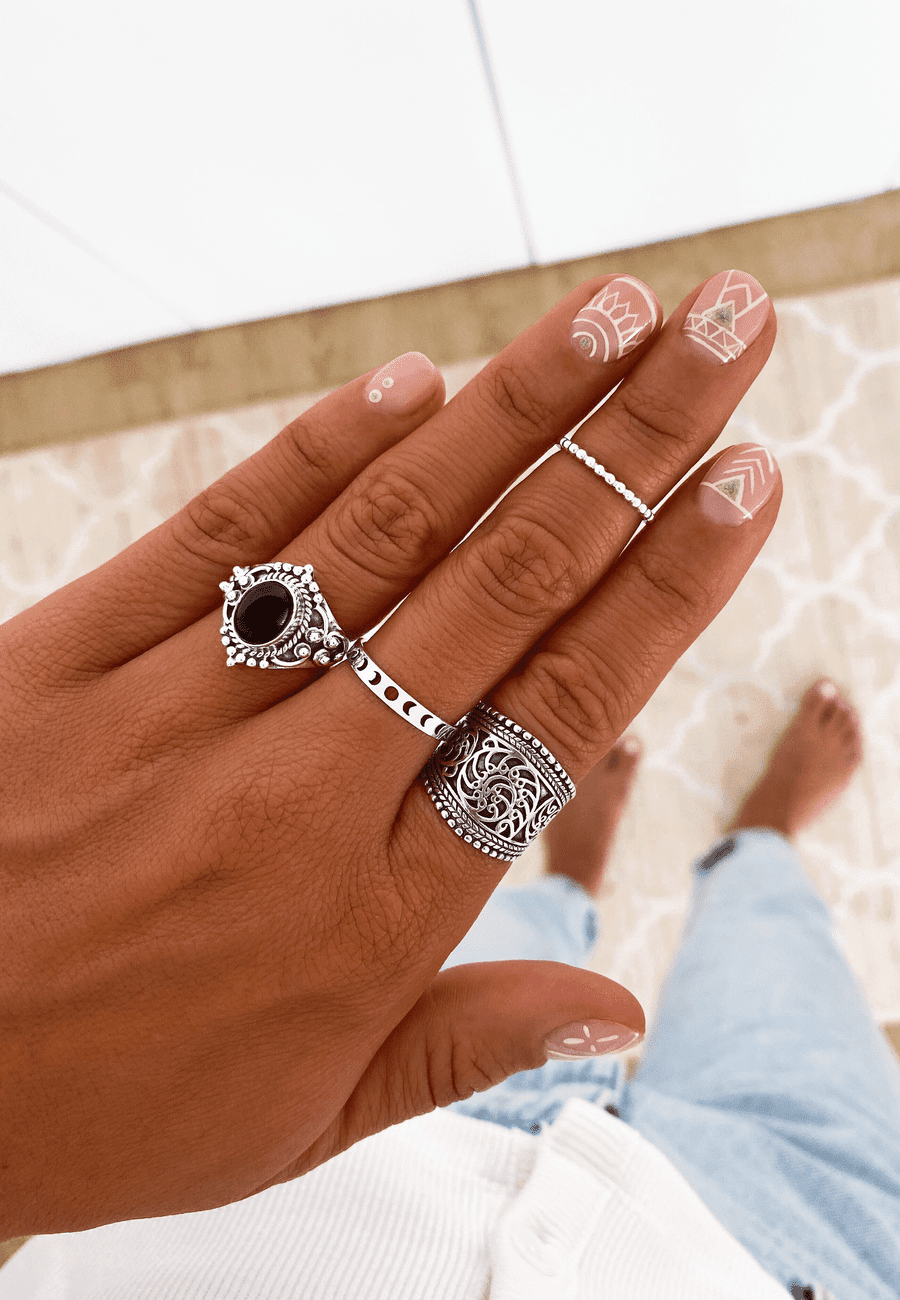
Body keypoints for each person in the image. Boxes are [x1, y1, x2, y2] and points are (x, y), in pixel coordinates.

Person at [0, 269, 898, 1299]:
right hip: (796, 1252)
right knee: (772, 931)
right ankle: (758, 841)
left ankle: (567, 878)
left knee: (462, 912)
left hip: (305, 1188)